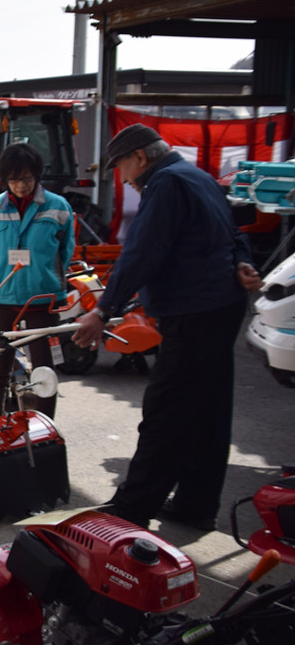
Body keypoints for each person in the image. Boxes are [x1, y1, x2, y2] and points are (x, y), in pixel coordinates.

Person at [72, 123, 262, 531]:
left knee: (166, 409)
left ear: (140, 158)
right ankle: (196, 503)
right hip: (223, 304)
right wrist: (244, 261)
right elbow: (233, 231)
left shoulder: (166, 183)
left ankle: (132, 507)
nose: (123, 178)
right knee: (209, 408)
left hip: (193, 312)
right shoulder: (198, 176)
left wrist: (103, 310)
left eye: (122, 167)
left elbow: (143, 251)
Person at [0, 142, 74, 419]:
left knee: (45, 371)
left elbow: (65, 251)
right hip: (2, 297)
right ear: (5, 178)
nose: (21, 185)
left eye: (27, 179)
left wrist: (46, 277)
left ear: (38, 176)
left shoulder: (59, 207)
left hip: (42, 298)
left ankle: (45, 429)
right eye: (14, 179)